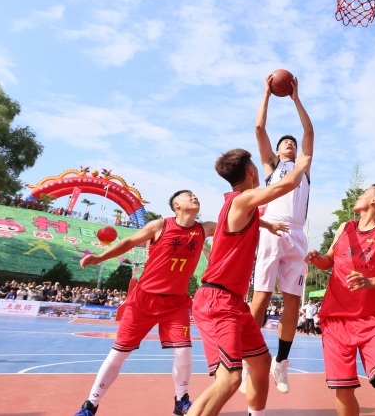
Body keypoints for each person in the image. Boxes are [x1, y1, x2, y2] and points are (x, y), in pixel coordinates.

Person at [73, 190, 220, 416]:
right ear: (176, 205)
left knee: (184, 352)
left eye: (195, 195)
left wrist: (265, 223)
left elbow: (235, 223)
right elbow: (128, 241)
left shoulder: (205, 228)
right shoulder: (160, 225)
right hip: (144, 300)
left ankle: (181, 401)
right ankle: (90, 405)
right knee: (118, 354)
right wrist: (101, 257)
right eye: (188, 195)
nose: (195, 197)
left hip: (176, 303)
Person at [190, 148, 310, 416]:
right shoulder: (242, 199)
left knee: (261, 362)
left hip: (234, 303)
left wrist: (269, 226)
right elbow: (285, 185)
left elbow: (253, 218)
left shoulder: (242, 206)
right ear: (252, 171)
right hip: (217, 301)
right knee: (230, 379)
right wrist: (301, 166)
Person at [305, 184, 375, 416]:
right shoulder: (344, 228)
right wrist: (317, 259)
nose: (358, 196)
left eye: (364, 193)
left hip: (372, 319)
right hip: (336, 321)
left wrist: (370, 282)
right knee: (344, 389)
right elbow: (329, 260)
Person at [246, 73, 314, 395]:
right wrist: (267, 94)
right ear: (275, 151)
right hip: (272, 230)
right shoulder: (272, 167)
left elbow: (309, 132)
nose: (291, 143)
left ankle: (281, 362)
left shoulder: (303, 167)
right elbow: (259, 128)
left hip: (297, 236)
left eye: (293, 143)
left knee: (293, 301)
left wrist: (296, 98)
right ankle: (248, 359)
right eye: (285, 142)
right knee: (260, 298)